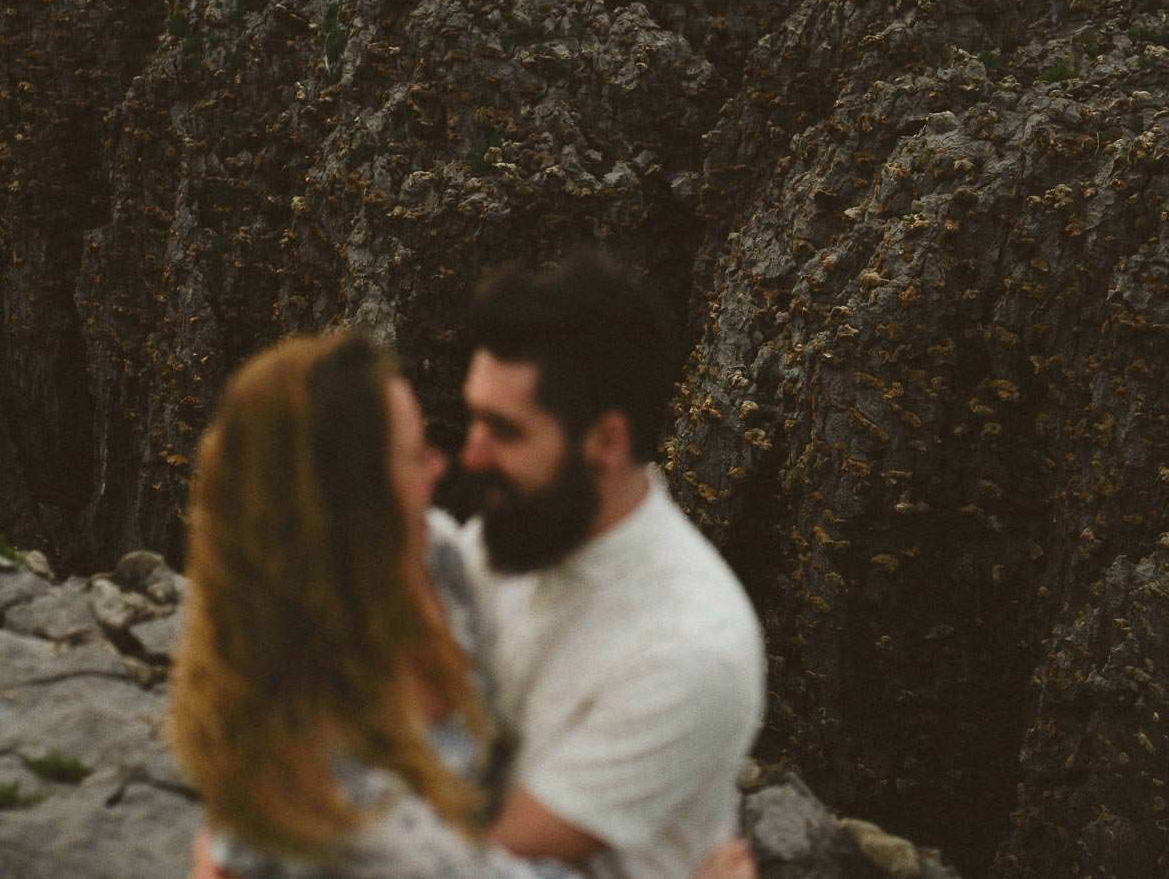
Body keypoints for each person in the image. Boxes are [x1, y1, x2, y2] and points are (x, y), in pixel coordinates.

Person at [169, 328, 759, 879]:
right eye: (415, 456)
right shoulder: (354, 809)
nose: (444, 464)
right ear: (360, 514)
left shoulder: (436, 561)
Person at [450, 252, 765, 879]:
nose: (470, 455)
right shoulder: (508, 534)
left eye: (504, 431)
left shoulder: (689, 646)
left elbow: (486, 851)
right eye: (472, 418)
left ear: (607, 441)